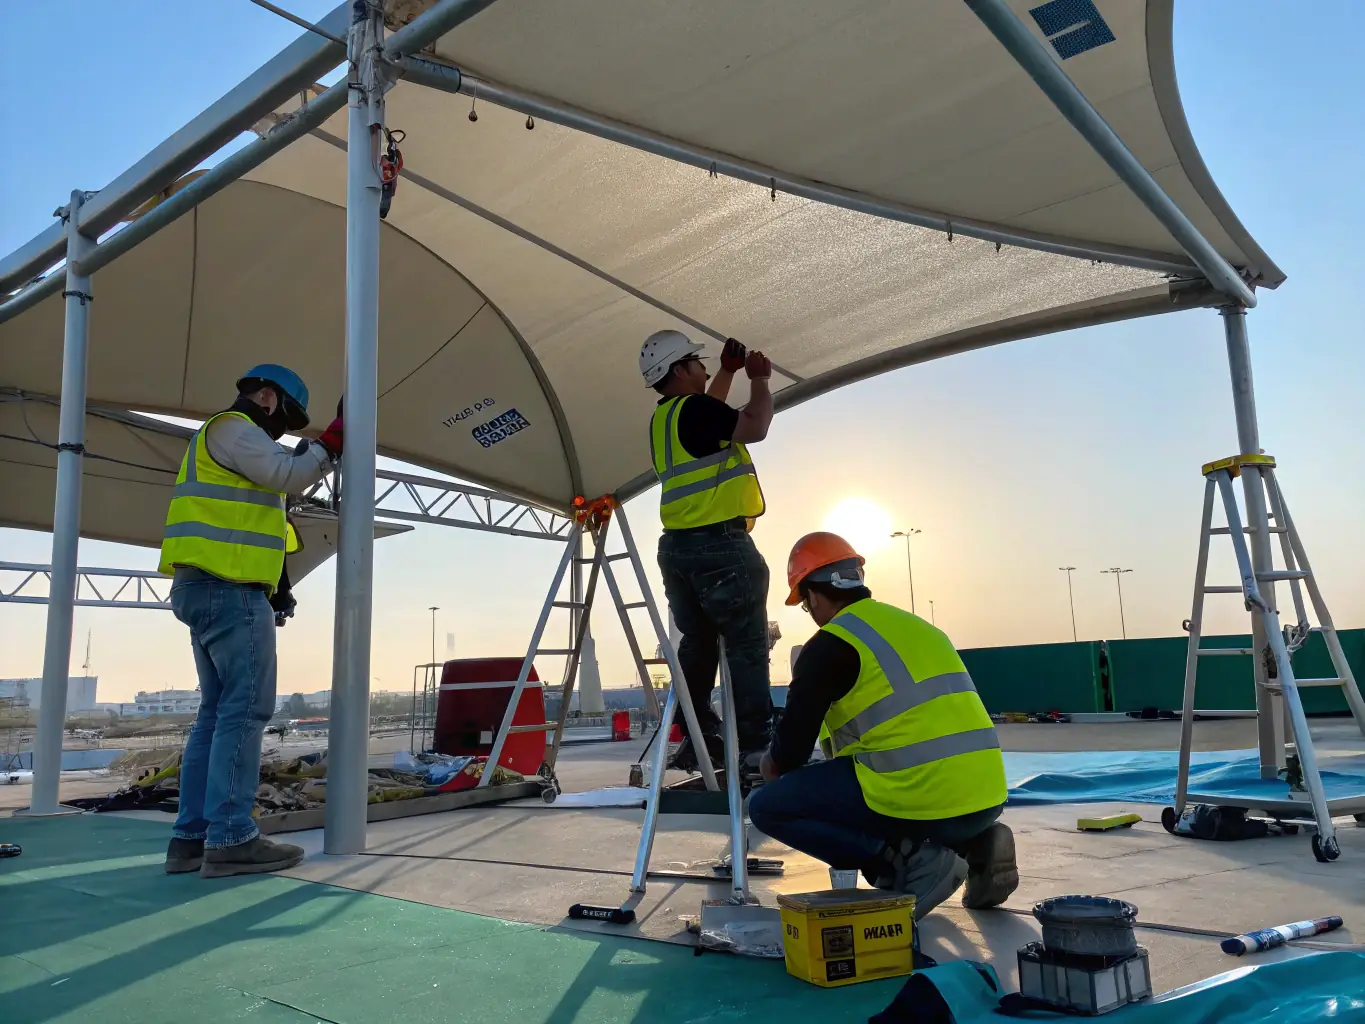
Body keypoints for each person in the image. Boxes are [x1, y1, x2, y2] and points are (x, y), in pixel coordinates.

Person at [747, 532, 1018, 919]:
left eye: (806, 604)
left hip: (925, 798)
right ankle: (976, 844)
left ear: (814, 596)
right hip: (985, 797)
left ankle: (909, 863)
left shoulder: (830, 644)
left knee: (769, 807)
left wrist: (766, 764)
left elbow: (787, 757)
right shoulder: (919, 627)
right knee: (878, 787)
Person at [158, 364, 344, 878]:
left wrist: (279, 584)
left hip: (208, 587)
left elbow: (254, 518)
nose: (286, 431)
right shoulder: (234, 429)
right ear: (266, 397)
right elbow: (290, 473)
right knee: (244, 712)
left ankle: (190, 840)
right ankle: (232, 838)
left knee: (216, 715)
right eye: (288, 417)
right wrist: (332, 441)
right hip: (230, 590)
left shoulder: (224, 445)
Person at [641, 329, 774, 772]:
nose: (703, 367)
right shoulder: (696, 411)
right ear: (680, 370)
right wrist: (758, 380)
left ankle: (698, 733)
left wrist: (726, 371)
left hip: (678, 550)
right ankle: (757, 747)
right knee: (747, 647)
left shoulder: (666, 419)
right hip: (720, 546)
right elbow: (753, 426)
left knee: (698, 645)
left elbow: (707, 417)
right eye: (697, 363)